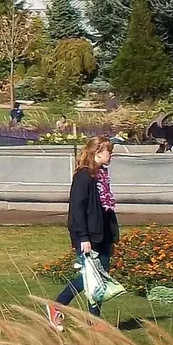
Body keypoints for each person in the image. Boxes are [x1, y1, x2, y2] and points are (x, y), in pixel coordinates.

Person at [49, 136, 118, 329]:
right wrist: (83, 237)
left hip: (102, 235)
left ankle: (94, 319)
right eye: (108, 151)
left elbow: (106, 208)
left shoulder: (101, 176)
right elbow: (77, 209)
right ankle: (57, 306)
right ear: (98, 153)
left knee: (100, 278)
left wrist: (112, 236)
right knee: (89, 276)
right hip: (88, 236)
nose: (111, 155)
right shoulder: (83, 176)